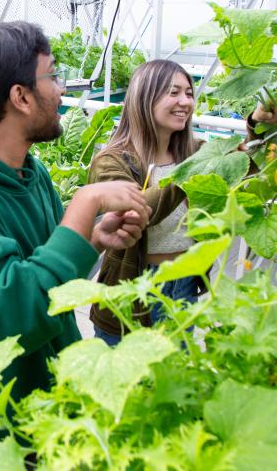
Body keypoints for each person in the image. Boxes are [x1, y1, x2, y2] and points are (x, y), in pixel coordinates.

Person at [0, 21, 150, 457]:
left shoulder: (28, 171)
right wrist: (83, 203)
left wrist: (91, 238)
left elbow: (45, 276)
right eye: (52, 76)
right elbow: (9, 314)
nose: (61, 91)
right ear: (20, 96)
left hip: (52, 400)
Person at [88, 59, 275, 346]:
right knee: (130, 383)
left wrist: (256, 123)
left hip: (184, 283)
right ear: (145, 97)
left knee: (175, 382)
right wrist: (193, 171)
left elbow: (244, 165)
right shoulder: (111, 161)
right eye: (173, 93)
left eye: (189, 93)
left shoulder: (195, 151)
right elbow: (133, 211)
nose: (185, 102)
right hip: (130, 290)